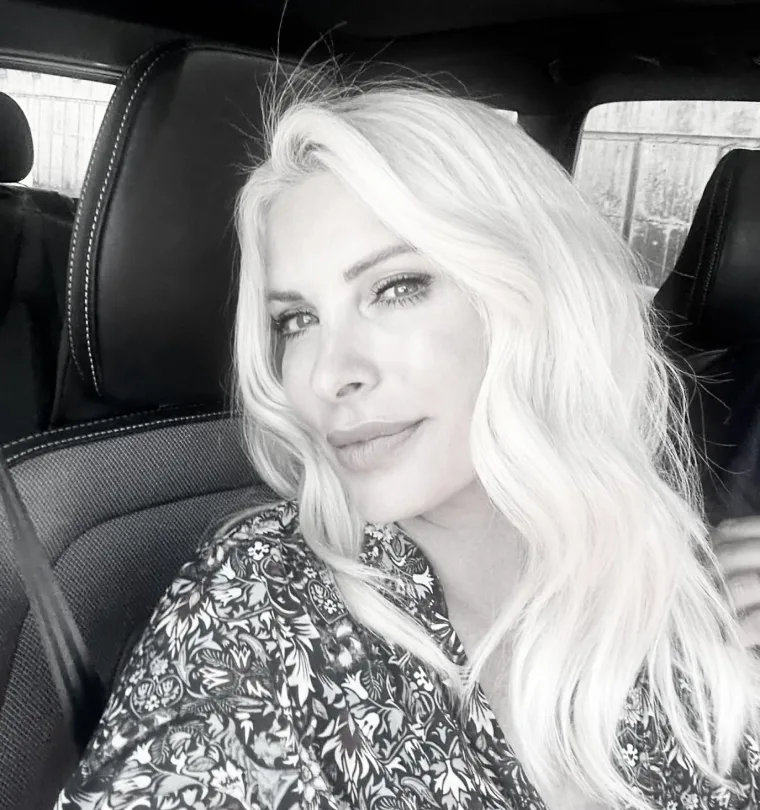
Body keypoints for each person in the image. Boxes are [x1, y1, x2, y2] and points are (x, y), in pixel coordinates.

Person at [55, 77, 760, 810]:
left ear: (537, 297)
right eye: (297, 320)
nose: (329, 374)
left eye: (394, 289)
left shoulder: (677, 585)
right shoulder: (261, 608)